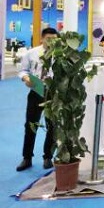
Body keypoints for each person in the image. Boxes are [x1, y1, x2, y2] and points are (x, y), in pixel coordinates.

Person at [16, 27, 58, 171]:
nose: (51, 42)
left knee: (52, 126)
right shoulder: (31, 53)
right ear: (42, 39)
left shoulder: (60, 55)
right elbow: (23, 70)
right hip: (36, 89)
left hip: (53, 92)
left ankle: (48, 157)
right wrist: (26, 78)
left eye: (54, 39)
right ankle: (27, 158)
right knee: (30, 125)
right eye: (48, 39)